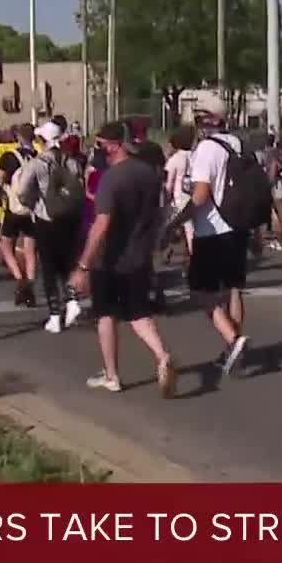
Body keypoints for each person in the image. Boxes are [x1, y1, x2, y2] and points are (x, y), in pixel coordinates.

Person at [68, 123, 178, 397]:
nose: (98, 149)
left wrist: (83, 265)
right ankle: (162, 355)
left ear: (114, 145)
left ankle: (111, 375)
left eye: (100, 143)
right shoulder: (149, 174)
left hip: (110, 259)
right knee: (138, 313)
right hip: (139, 255)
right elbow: (160, 212)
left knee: (106, 314)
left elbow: (101, 224)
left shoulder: (112, 178)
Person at [168, 126, 252, 376]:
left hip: (212, 231)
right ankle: (233, 349)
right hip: (237, 226)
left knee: (200, 292)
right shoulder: (237, 143)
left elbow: (201, 195)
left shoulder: (206, 149)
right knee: (233, 288)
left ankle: (233, 340)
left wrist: (175, 222)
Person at [16, 120, 86, 334]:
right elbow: (79, 186)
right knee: (68, 263)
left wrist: (34, 206)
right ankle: (72, 300)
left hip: (46, 220)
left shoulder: (37, 164)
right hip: (70, 219)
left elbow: (22, 192)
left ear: (41, 140)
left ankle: (55, 315)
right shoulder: (71, 162)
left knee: (49, 268)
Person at [0, 125, 39, 307]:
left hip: (13, 209)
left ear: (17, 137)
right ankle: (30, 286)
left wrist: (5, 192)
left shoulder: (8, 157)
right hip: (32, 210)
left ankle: (19, 279)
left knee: (7, 246)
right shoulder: (38, 158)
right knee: (30, 251)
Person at [163, 126, 195, 261]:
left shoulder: (174, 159)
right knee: (191, 231)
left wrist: (165, 198)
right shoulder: (196, 155)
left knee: (169, 227)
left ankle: (167, 250)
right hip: (193, 197)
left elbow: (168, 183)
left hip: (178, 200)